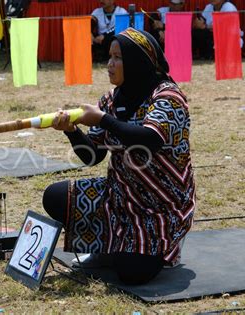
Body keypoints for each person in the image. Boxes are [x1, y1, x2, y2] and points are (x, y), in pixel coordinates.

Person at [43, 28, 195, 284]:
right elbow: (93, 156)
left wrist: (103, 119)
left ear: (137, 61)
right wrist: (71, 131)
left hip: (161, 207)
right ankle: (107, 247)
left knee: (131, 273)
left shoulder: (168, 97)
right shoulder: (111, 100)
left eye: (118, 58)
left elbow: (150, 138)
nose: (109, 64)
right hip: (120, 196)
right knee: (56, 197)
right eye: (109, 57)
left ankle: (159, 245)